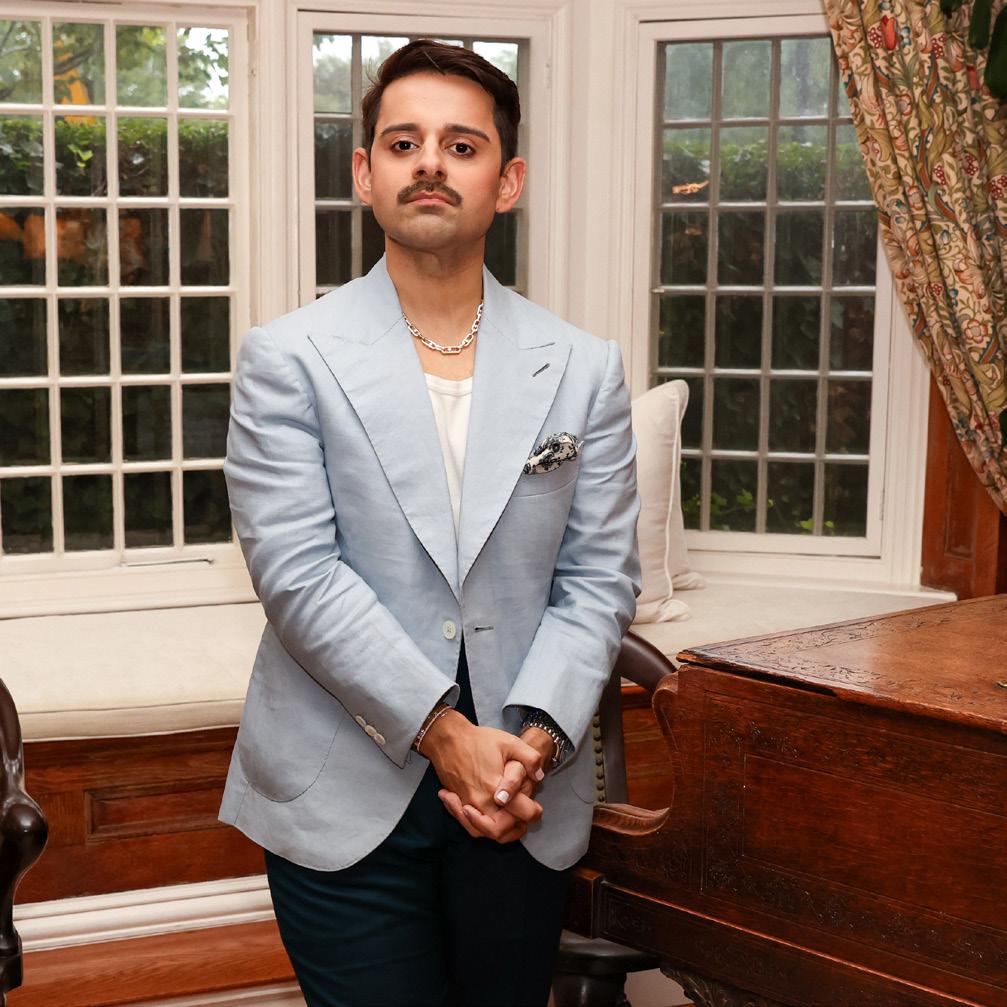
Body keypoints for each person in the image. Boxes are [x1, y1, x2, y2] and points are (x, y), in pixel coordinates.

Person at [217, 38, 641, 1007]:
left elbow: (598, 579)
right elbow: (297, 576)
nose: (429, 165)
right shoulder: (287, 357)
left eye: (461, 145)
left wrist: (529, 744)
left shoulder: (583, 367)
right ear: (364, 175)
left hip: (520, 788)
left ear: (507, 181)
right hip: (339, 787)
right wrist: (445, 733)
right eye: (402, 143)